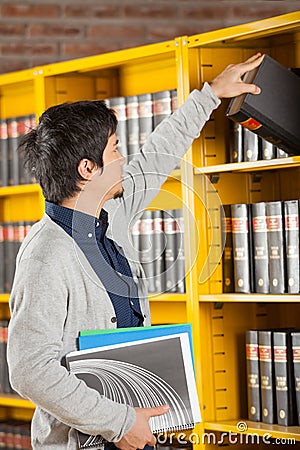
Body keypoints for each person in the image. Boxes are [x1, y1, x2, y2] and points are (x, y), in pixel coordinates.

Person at [7, 53, 264, 450]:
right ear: (88, 170)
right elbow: (29, 371)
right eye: (114, 150)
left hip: (134, 431)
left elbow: (158, 156)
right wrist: (121, 421)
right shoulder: (46, 257)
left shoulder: (110, 211)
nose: (124, 158)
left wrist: (212, 94)